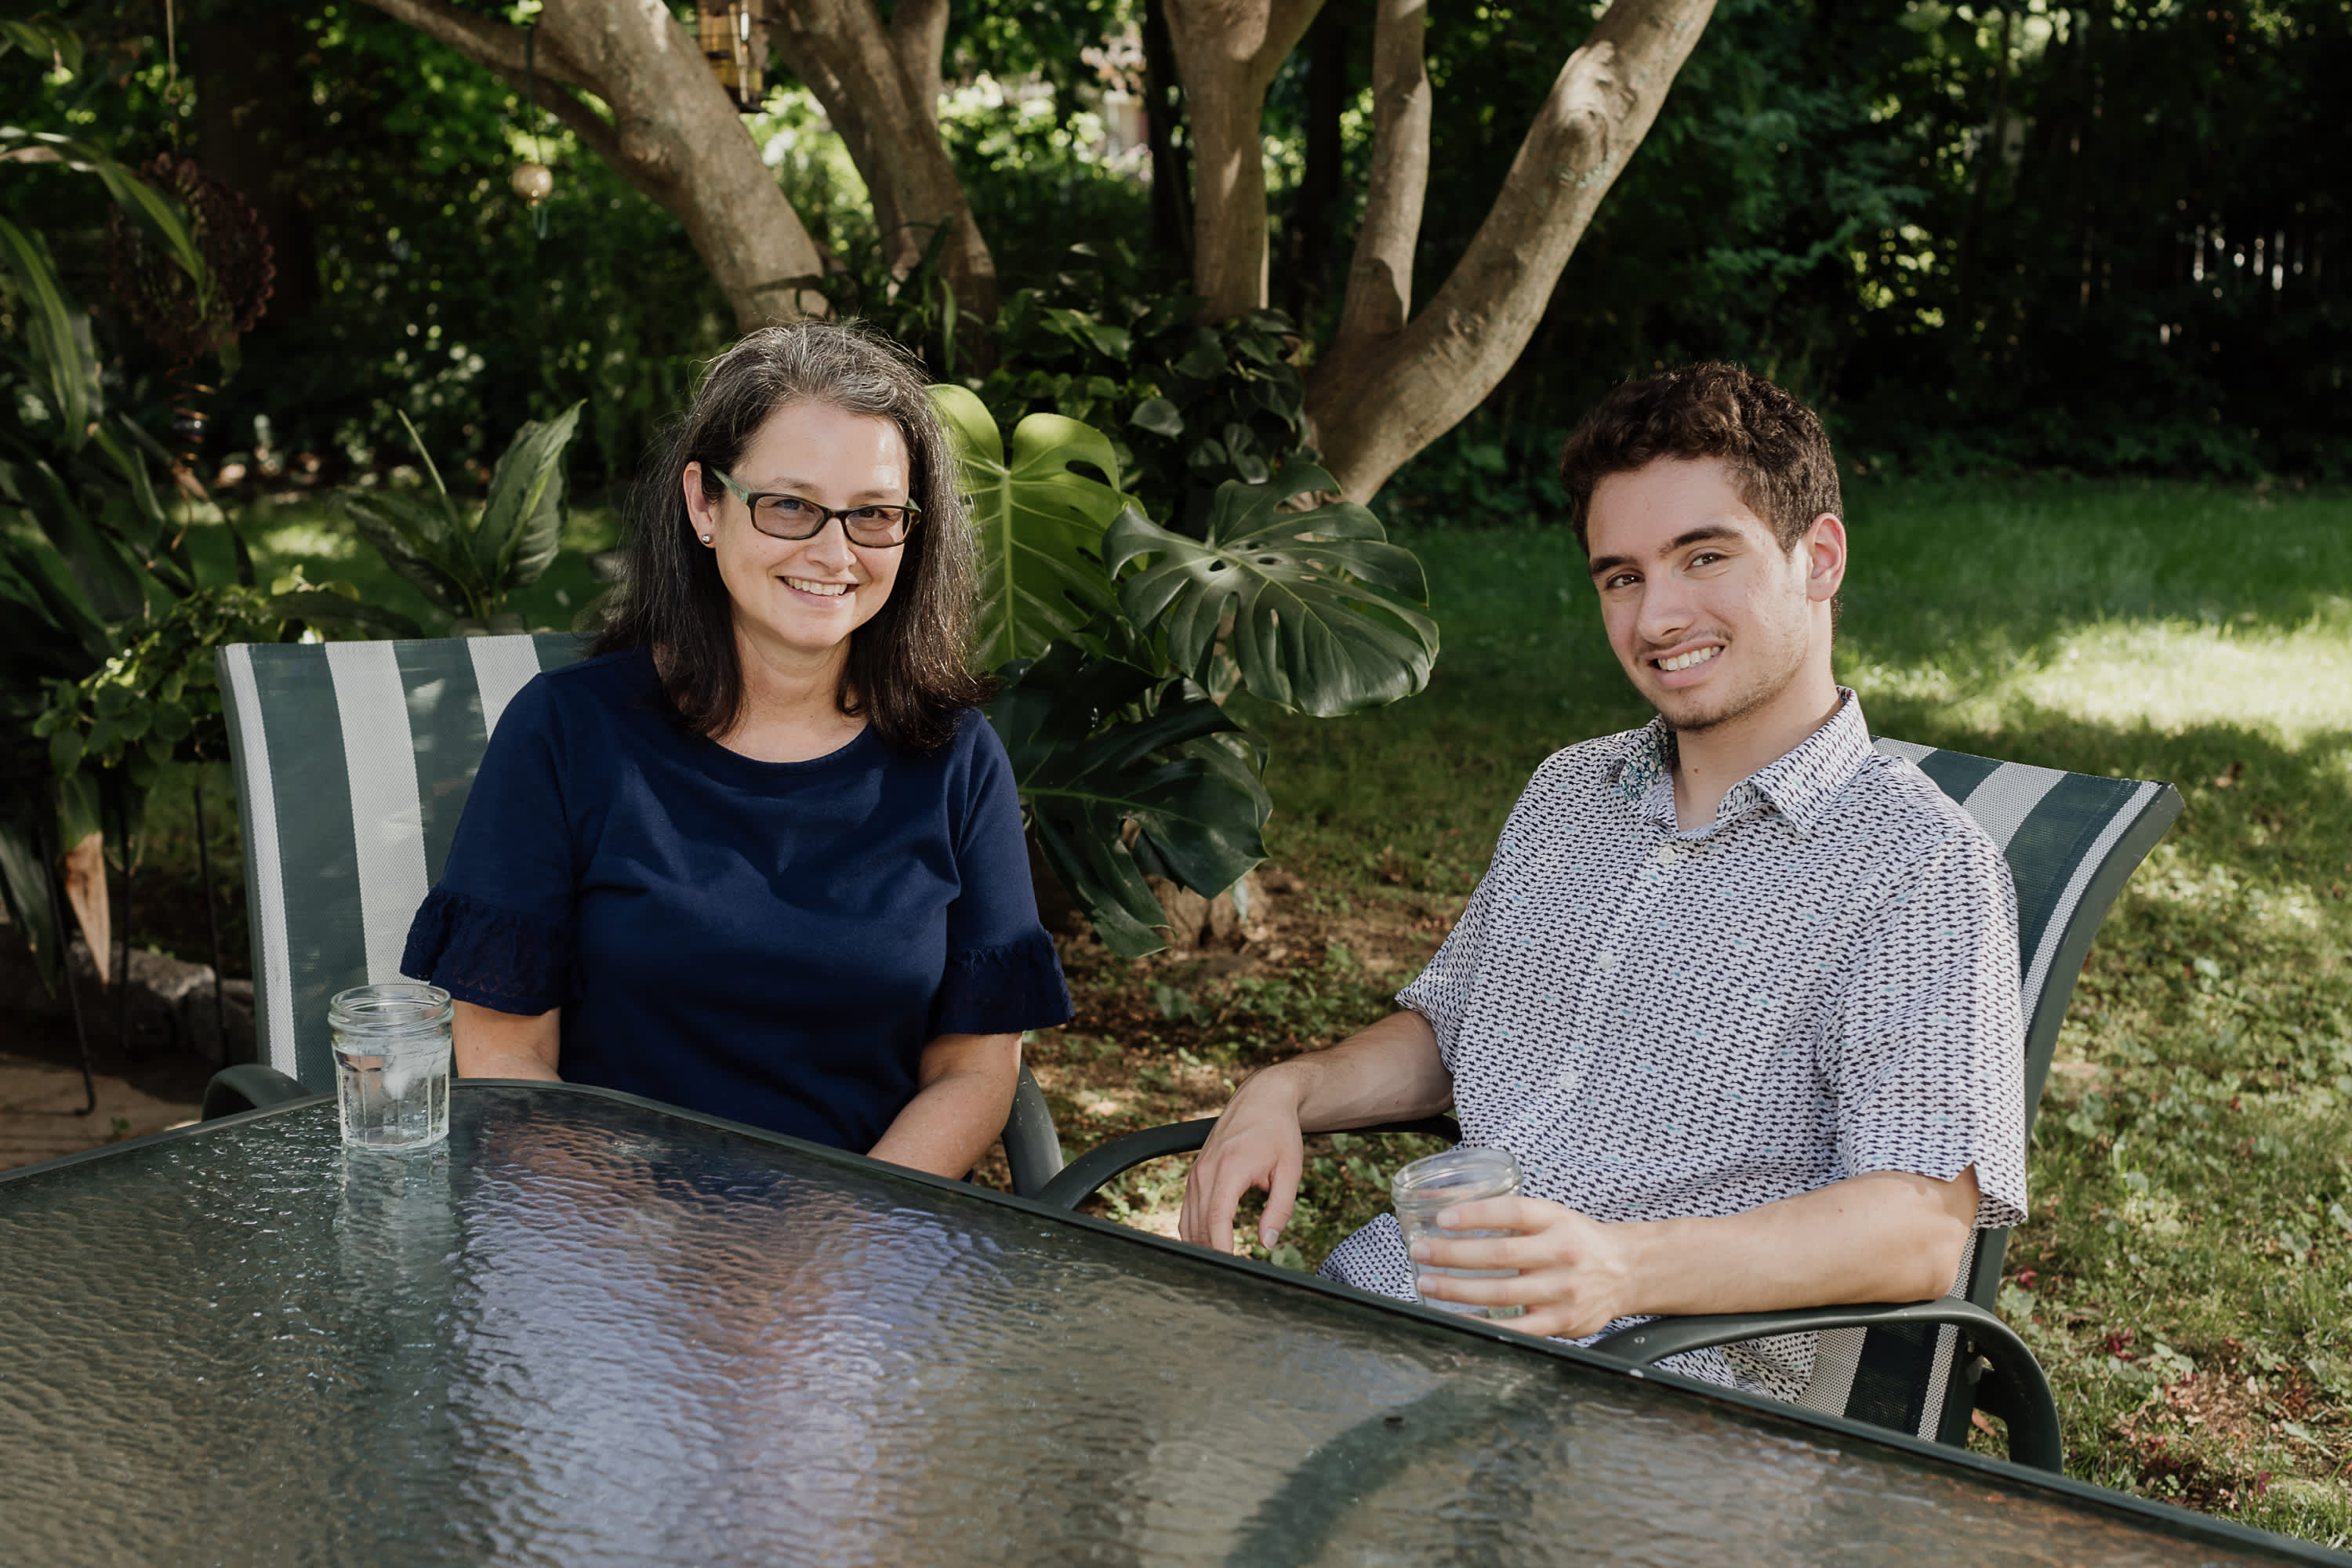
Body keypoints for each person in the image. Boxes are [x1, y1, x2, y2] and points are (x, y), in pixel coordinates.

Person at [1178, 362, 2026, 1398]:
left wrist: (1623, 1266)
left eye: (1703, 557)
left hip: (1643, 1398)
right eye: (1621, 576)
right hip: (1381, 1330)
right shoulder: (1573, 791)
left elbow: (1917, 1229)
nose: (1657, 617)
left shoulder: (1917, 862)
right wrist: (1290, 1088)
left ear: (1820, 557)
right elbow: (1453, 1033)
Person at [401, 323, 1071, 1178]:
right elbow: (506, 1055)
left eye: (873, 514)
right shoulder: (566, 733)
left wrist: (842, 1234)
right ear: (703, 505)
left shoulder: (956, 759)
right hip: (605, 1236)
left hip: (867, 1240)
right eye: (789, 504)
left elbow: (974, 1070)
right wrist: (671, 1254)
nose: (834, 553)